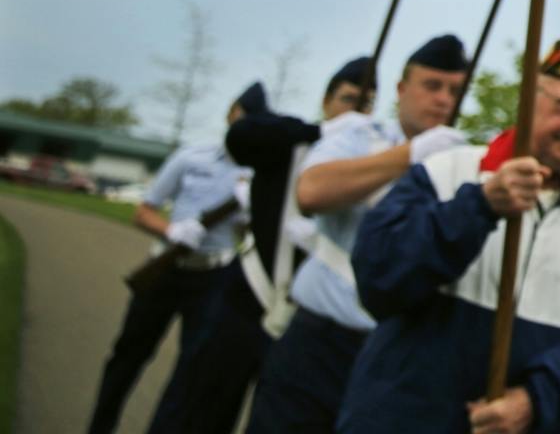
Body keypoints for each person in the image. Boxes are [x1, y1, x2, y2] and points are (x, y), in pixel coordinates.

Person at [340, 32, 560, 434]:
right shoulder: (447, 172)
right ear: (529, 101)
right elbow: (378, 278)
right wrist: (478, 207)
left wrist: (538, 399)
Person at [244, 35, 468, 434]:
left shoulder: (459, 161)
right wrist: (409, 155)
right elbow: (310, 192)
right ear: (402, 89)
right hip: (317, 343)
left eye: (454, 90)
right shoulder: (358, 135)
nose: (443, 99)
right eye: (432, 86)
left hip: (392, 357)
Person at [181, 56, 374, 434]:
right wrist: (322, 132)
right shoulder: (290, 143)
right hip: (247, 301)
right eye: (349, 100)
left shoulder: (365, 165)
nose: (358, 112)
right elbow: (241, 136)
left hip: (305, 325)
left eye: (367, 105)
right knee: (199, 413)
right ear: (327, 101)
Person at [87, 83, 251, 434]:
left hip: (212, 277)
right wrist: (171, 232)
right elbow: (144, 212)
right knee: (127, 357)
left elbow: (248, 238)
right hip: (165, 269)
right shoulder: (191, 157)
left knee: (192, 372)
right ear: (229, 115)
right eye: (241, 117)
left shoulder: (254, 176)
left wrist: (250, 214)